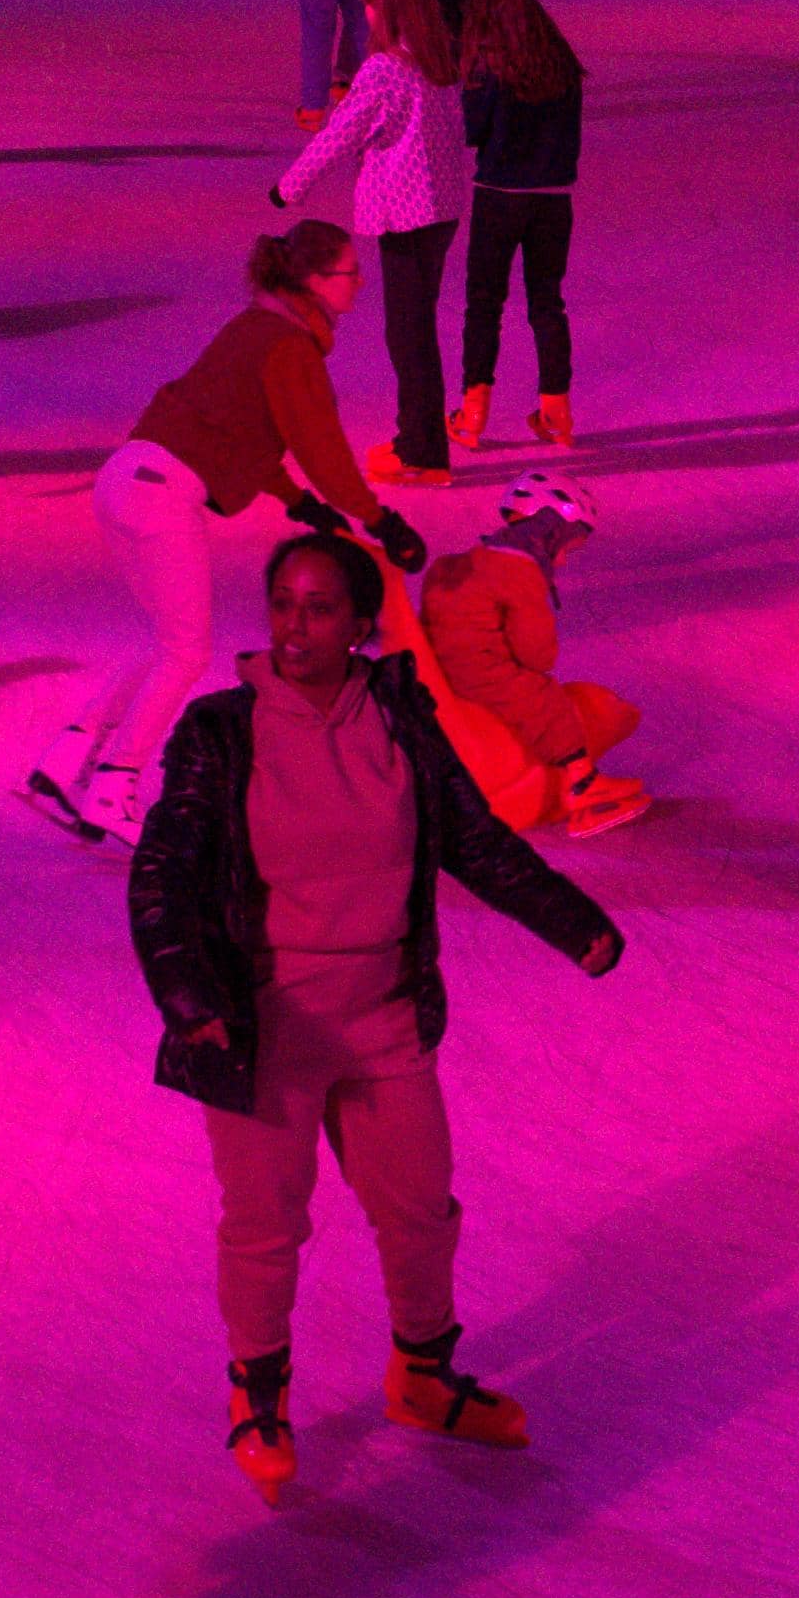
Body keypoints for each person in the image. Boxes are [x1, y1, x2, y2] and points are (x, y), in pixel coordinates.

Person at [126, 527, 623, 1504]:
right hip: (263, 1031)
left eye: (319, 608)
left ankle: (422, 1377)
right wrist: (188, 996)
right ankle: (257, 1393)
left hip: (385, 1016)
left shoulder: (398, 714)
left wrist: (572, 920)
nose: (295, 626)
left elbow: (472, 838)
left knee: (420, 1210)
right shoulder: (221, 730)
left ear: (361, 623)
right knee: (267, 1224)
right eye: (282, 605)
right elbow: (163, 874)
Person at [32, 224, 413, 846]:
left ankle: (67, 758)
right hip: (161, 495)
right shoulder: (290, 348)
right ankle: (114, 783)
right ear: (314, 282)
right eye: (349, 272)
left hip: (127, 476)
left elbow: (233, 434)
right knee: (186, 652)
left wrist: (298, 504)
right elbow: (324, 450)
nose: (359, 283)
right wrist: (379, 519)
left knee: (167, 641)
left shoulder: (251, 329)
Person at [278, 0, 478, 483]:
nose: (362, 12)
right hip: (440, 211)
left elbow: (339, 136)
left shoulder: (386, 71)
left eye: (367, 4)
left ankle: (423, 452)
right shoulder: (435, 60)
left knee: (408, 335)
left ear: (385, 10)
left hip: (408, 216)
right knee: (415, 330)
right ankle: (417, 437)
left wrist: (289, 187)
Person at [409, 478, 645, 834]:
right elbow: (536, 655)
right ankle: (581, 781)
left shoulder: (458, 564)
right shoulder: (520, 572)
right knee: (541, 696)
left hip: (438, 672)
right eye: (565, 548)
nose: (562, 560)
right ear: (548, 531)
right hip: (480, 673)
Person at [456, 0, 585, 451]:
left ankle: (473, 412)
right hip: (553, 200)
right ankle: (557, 411)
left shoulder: (492, 70)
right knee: (547, 302)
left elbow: (473, 131)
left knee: (485, 302)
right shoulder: (562, 65)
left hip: (500, 194)